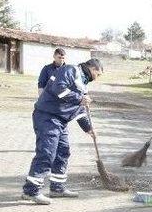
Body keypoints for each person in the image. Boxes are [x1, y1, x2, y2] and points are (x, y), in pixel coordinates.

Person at [22, 58, 104, 204]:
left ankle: (57, 188)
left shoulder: (83, 84)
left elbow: (78, 111)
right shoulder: (70, 70)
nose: (97, 78)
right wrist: (79, 99)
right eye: (98, 74)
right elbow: (58, 89)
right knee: (47, 152)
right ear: (92, 68)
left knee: (63, 152)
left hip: (61, 121)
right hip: (47, 117)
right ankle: (31, 191)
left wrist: (88, 128)